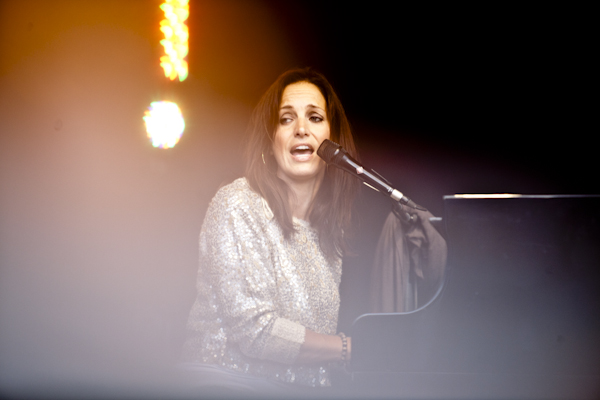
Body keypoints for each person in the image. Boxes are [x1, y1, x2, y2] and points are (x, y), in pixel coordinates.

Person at [179, 68, 360, 393]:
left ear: (334, 141)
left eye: (315, 118)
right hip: (227, 386)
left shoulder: (328, 233)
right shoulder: (237, 203)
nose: (301, 129)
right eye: (286, 119)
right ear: (270, 141)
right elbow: (256, 331)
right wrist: (347, 348)